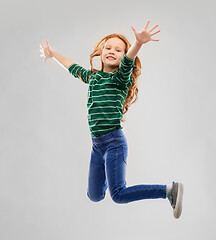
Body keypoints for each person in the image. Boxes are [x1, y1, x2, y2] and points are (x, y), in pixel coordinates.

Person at [40, 20, 183, 219]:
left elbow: (128, 62)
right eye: (108, 47)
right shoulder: (93, 77)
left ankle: (168, 190)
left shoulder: (119, 79)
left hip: (114, 142)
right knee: (95, 196)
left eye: (118, 50)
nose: (112, 51)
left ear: (123, 56)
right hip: (97, 146)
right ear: (100, 52)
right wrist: (52, 53)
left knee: (118, 195)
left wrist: (138, 43)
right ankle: (111, 173)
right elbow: (71, 67)